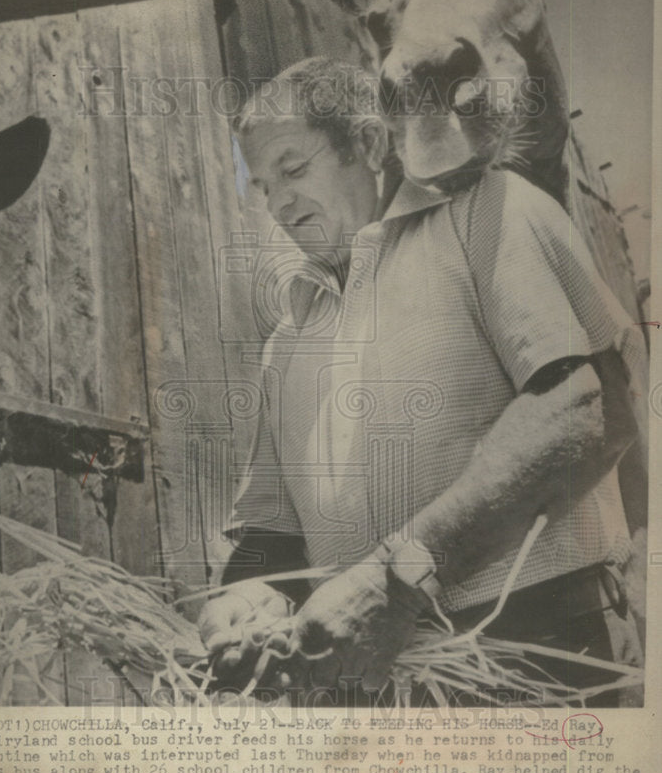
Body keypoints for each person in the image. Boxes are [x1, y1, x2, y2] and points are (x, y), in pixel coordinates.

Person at [197, 55, 645, 706]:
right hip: (367, 688)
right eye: (263, 186)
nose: (279, 203)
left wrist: (398, 580)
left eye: (293, 169)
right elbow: (272, 533)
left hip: (534, 657)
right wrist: (243, 595)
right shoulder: (289, 340)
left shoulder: (483, 216)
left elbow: (585, 410)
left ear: (370, 143)